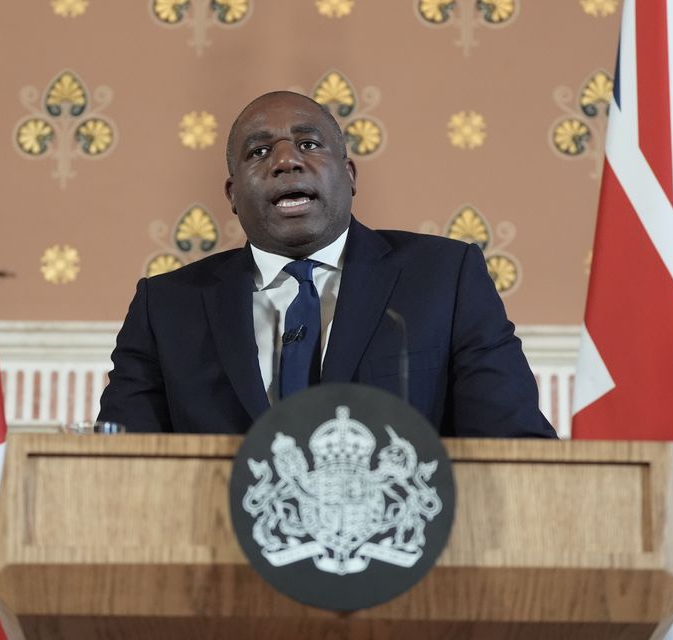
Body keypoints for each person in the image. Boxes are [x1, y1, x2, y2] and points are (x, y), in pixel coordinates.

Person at [98, 91, 555, 438]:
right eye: (258, 152)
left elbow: (515, 446)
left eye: (309, 143)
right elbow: (119, 468)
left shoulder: (444, 279)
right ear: (232, 195)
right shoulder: (166, 308)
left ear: (350, 175)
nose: (285, 160)